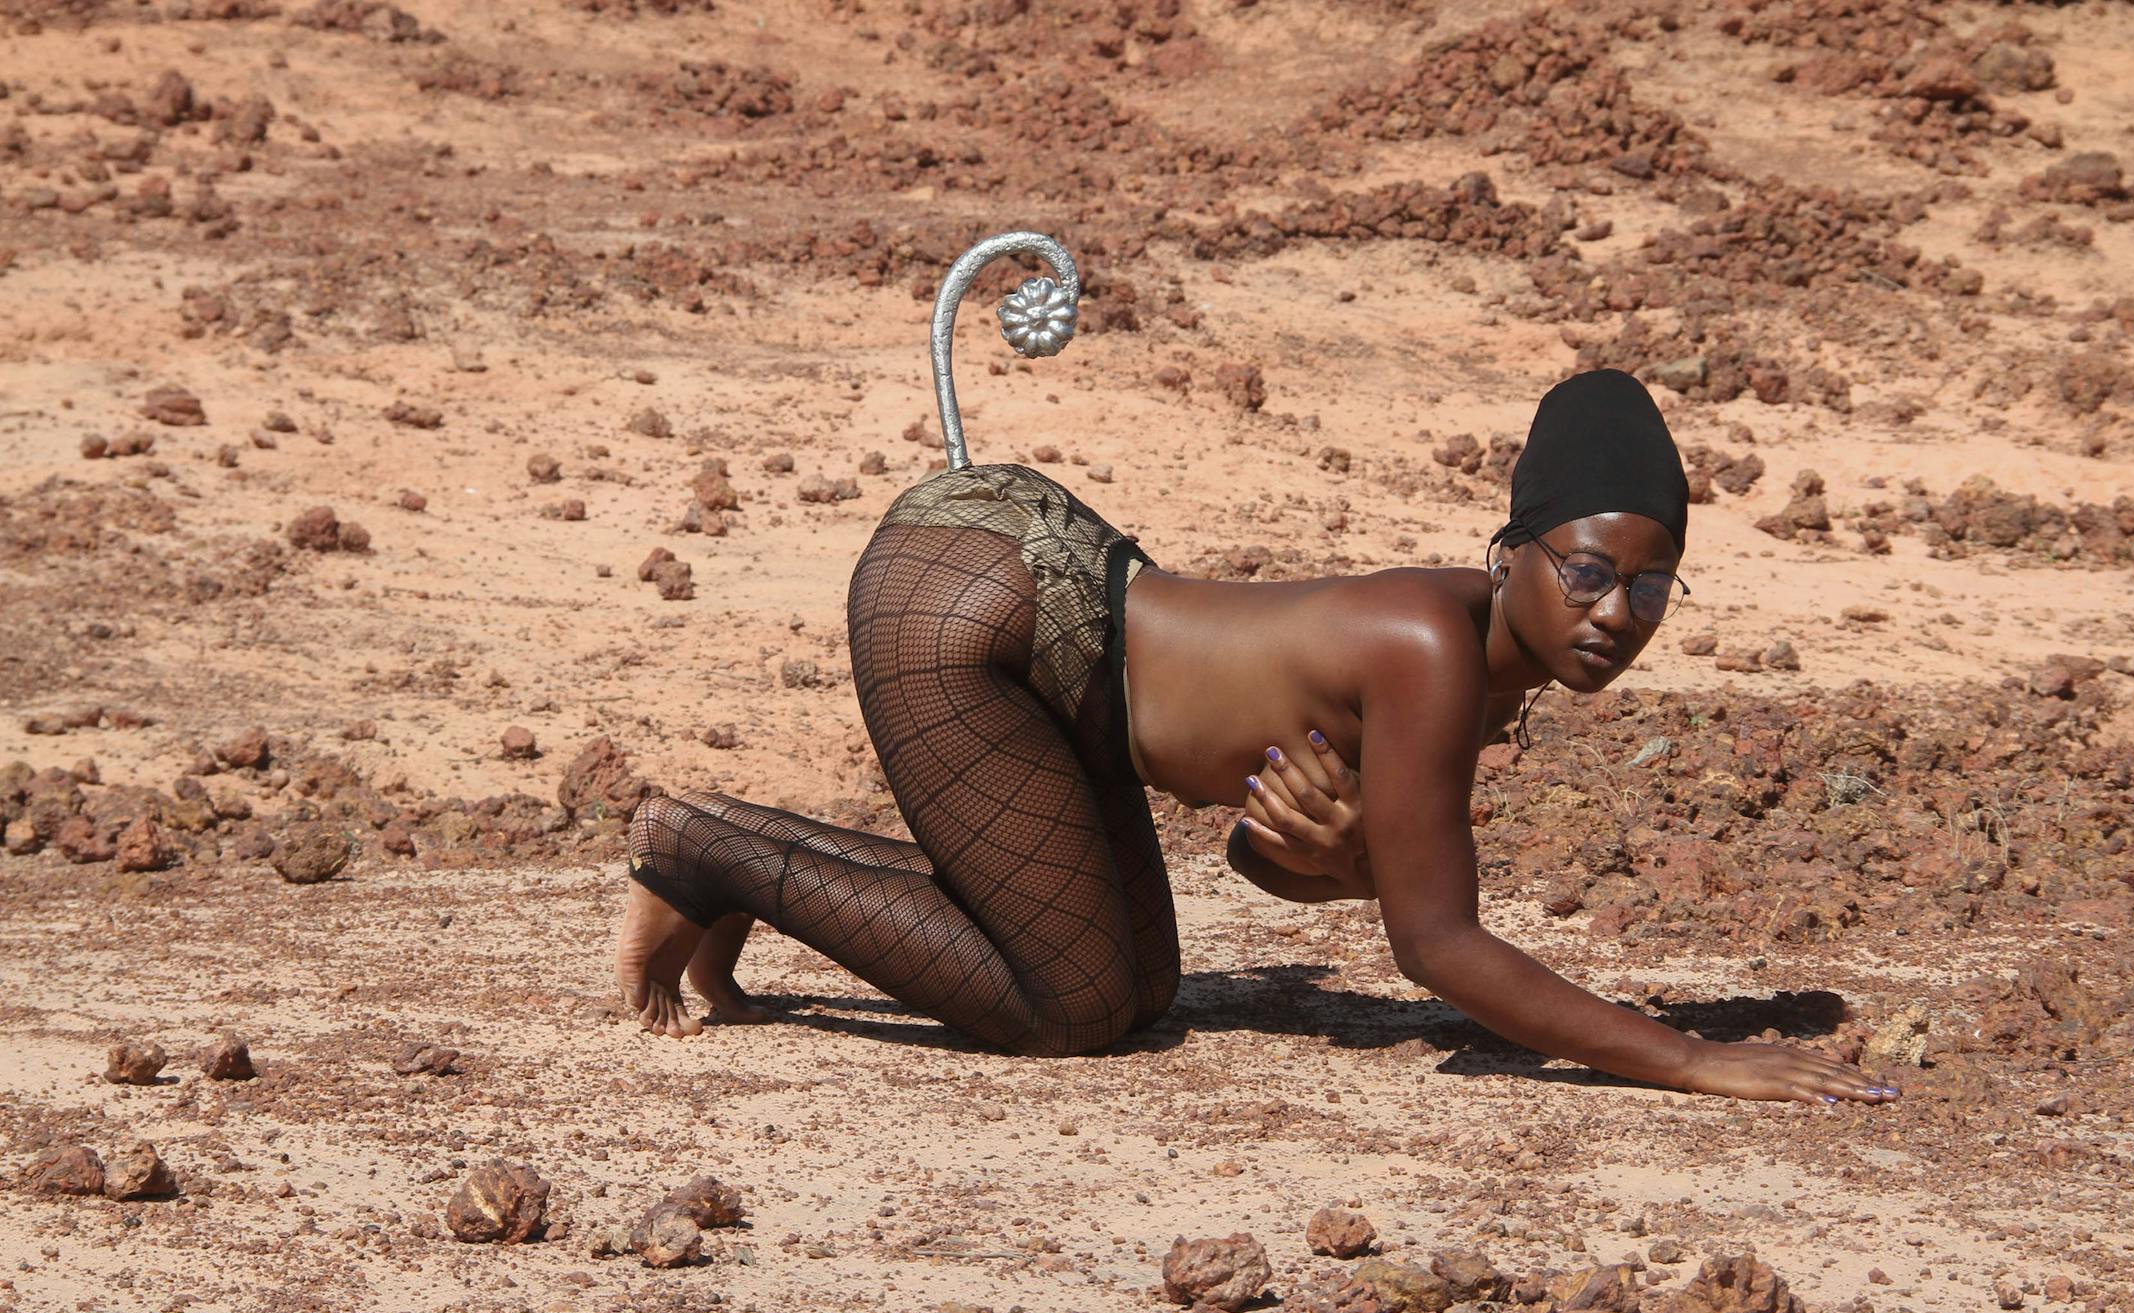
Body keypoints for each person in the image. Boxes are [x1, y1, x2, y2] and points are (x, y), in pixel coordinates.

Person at [614, 363, 1901, 1108]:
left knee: (1136, 993)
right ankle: (706, 854)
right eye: (1587, 571)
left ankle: (735, 866)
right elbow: (1436, 945)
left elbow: (1256, 851)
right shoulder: (1429, 650)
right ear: (1510, 553)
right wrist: (1687, 1058)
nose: (1616, 613)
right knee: (1069, 1009)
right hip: (976, 609)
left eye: (1652, 587)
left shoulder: (1477, 669)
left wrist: (1337, 865)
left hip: (1063, 639)